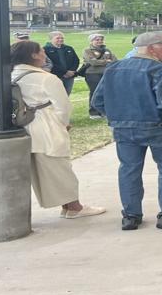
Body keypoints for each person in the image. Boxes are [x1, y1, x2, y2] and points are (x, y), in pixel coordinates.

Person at [89, 31, 162, 231]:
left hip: (124, 128)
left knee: (129, 169)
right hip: (158, 126)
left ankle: (131, 215)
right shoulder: (160, 70)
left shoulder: (113, 68)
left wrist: (116, 117)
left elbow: (97, 101)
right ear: (152, 48)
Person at [10, 41, 107, 219]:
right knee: (60, 167)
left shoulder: (13, 74)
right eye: (41, 51)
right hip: (47, 124)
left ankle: (68, 205)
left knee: (45, 168)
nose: (44, 54)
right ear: (33, 55)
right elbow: (63, 107)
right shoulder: (46, 78)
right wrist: (64, 123)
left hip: (25, 125)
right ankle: (75, 206)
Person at [79, 33, 117, 118]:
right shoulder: (87, 50)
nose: (100, 41)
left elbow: (114, 60)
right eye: (97, 40)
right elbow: (93, 62)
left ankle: (104, 111)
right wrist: (106, 61)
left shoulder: (107, 50)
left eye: (101, 39)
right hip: (92, 74)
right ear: (91, 41)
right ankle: (94, 112)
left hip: (106, 73)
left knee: (106, 92)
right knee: (95, 92)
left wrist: (105, 61)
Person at [44, 31, 81, 96]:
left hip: (69, 77)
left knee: (67, 94)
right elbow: (49, 63)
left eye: (62, 38)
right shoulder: (45, 49)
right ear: (51, 39)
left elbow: (76, 60)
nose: (60, 40)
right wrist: (64, 72)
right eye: (57, 38)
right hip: (56, 76)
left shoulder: (69, 48)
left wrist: (71, 71)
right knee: (57, 95)